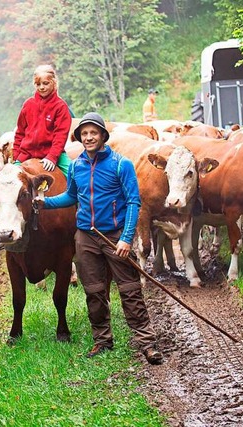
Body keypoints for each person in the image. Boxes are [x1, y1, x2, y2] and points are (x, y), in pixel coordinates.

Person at [36, 112, 163, 365]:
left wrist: (126, 239)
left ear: (103, 136)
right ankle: (103, 340)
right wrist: (44, 202)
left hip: (115, 235)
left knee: (129, 290)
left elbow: (133, 202)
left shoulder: (120, 164)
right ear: (79, 138)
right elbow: (71, 197)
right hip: (86, 236)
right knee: (93, 291)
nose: (89, 137)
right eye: (84, 133)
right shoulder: (76, 166)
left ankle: (147, 343)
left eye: (94, 132)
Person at [14, 64, 72, 176]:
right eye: (38, 84)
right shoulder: (28, 105)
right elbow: (20, 133)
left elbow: (60, 135)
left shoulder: (60, 106)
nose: (41, 87)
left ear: (54, 83)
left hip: (53, 154)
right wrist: (17, 156)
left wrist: (52, 156)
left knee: (76, 175)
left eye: (45, 83)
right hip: (26, 154)